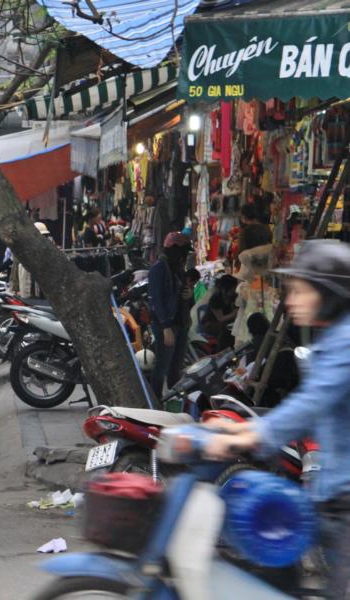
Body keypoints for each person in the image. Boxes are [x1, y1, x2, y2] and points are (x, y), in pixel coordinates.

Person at [204, 240, 350, 599]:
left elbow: (311, 404)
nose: (292, 301)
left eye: (302, 291)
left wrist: (245, 436)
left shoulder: (344, 342)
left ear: (328, 294)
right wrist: (246, 427)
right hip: (329, 493)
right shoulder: (330, 339)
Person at [148, 231, 192, 399]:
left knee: (176, 368)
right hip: (167, 325)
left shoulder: (178, 268)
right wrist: (166, 326)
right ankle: (155, 402)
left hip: (181, 323)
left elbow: (181, 295)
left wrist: (189, 295)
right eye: (183, 252)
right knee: (162, 367)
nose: (185, 256)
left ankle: (174, 400)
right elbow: (156, 300)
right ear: (174, 250)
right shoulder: (158, 270)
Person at [200, 274, 238, 349]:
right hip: (210, 324)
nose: (235, 289)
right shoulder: (216, 299)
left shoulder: (233, 296)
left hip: (225, 322)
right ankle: (223, 352)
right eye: (233, 288)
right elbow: (221, 318)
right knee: (227, 331)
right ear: (226, 288)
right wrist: (234, 314)